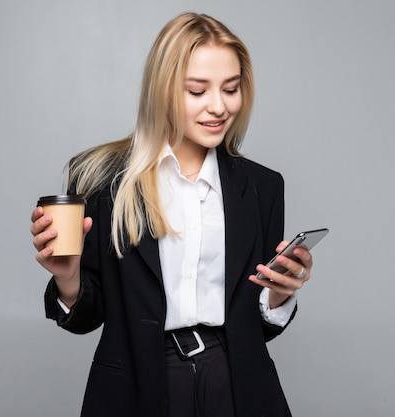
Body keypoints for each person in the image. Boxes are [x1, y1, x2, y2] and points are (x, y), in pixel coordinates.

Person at [30, 12, 314, 417]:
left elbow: (258, 328)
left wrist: (280, 294)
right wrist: (67, 279)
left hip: (235, 380)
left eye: (231, 89)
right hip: (137, 382)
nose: (219, 106)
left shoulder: (263, 187)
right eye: (197, 91)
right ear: (162, 91)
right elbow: (86, 319)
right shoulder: (99, 179)